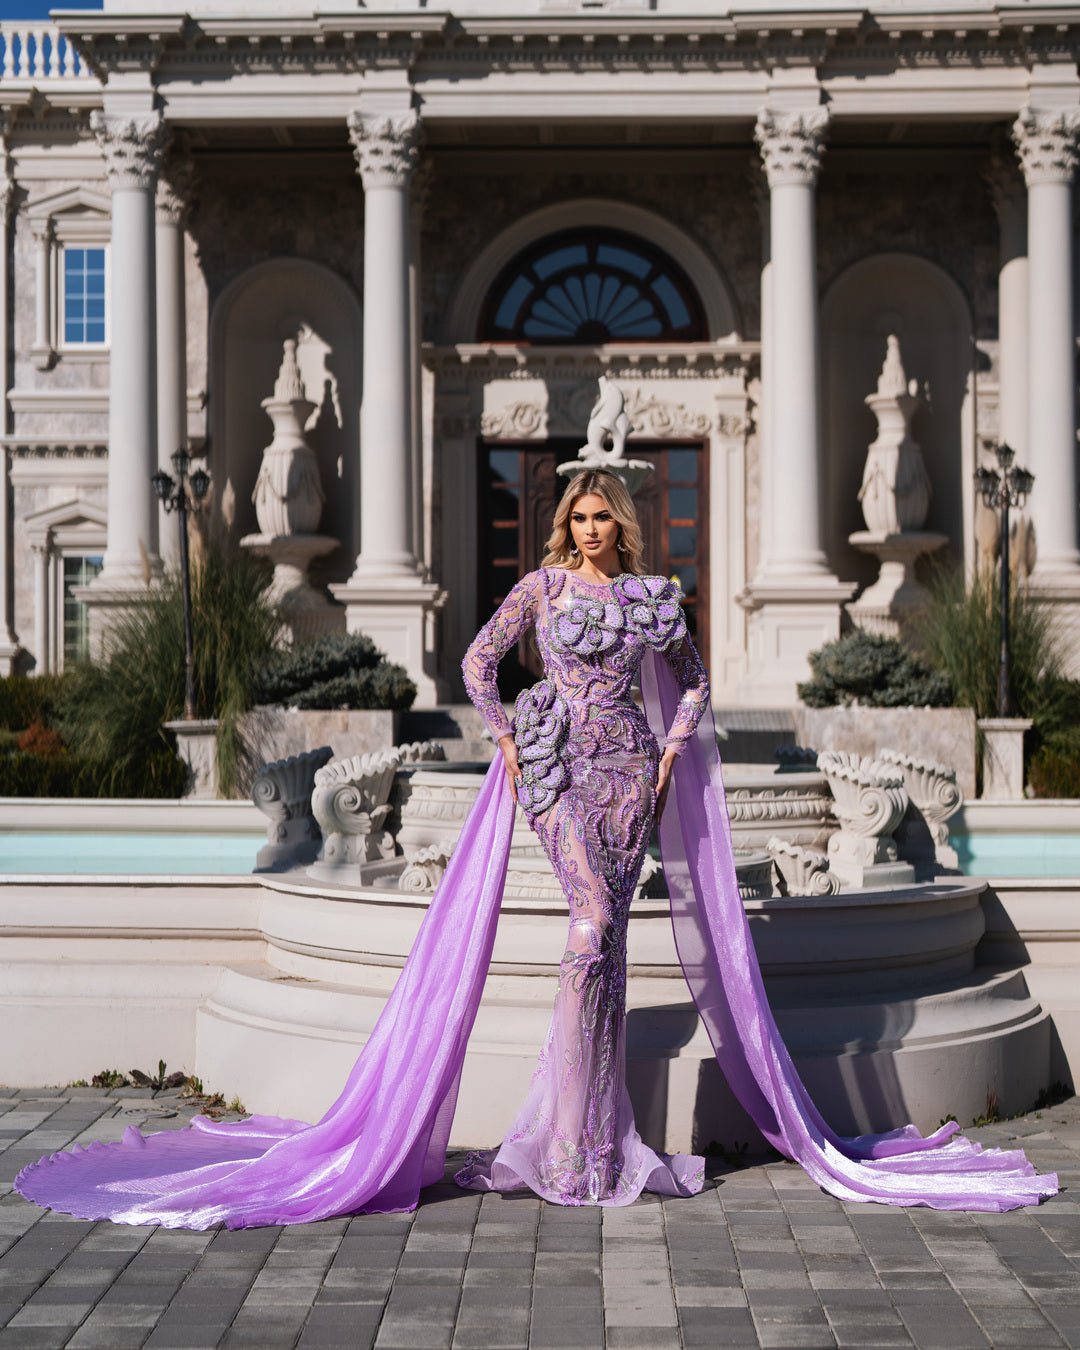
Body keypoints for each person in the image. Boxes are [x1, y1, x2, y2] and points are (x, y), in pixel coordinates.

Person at [13, 471, 1056, 1229]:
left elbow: (692, 683)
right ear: (567, 526)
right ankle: (568, 1143)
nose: (592, 528)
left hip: (631, 774)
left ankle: (591, 1144)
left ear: (622, 525)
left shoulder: (651, 599)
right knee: (591, 931)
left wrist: (671, 751)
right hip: (558, 772)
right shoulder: (542, 593)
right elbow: (479, 664)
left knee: (606, 947)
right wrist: (511, 734)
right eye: (580, 516)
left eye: (605, 516)